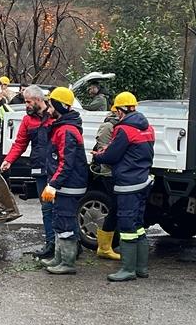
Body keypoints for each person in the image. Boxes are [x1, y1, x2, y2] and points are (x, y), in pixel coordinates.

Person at [93, 92, 155, 282]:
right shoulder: (148, 127)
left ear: (120, 110)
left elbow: (112, 156)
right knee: (138, 225)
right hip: (143, 180)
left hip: (128, 184)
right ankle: (141, 268)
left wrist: (98, 156)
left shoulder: (124, 129)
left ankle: (128, 270)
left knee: (127, 226)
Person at [0, 85, 55, 261]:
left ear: (39, 100)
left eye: (28, 101)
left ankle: (68, 244)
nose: (26, 105)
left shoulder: (54, 116)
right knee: (47, 208)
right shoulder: (27, 120)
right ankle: (51, 244)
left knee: (62, 208)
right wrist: (9, 160)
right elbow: (20, 143)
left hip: (55, 170)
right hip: (40, 169)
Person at [40, 87, 89, 275]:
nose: (48, 108)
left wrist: (53, 184)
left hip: (69, 185)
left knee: (65, 221)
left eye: (51, 104)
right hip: (67, 184)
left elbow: (66, 163)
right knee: (60, 219)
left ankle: (67, 263)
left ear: (59, 105)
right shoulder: (64, 126)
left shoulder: (66, 130)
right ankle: (59, 258)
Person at [91, 106, 123, 261]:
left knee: (117, 207)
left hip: (116, 172)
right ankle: (104, 247)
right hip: (108, 173)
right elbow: (105, 151)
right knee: (115, 207)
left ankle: (106, 246)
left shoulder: (120, 124)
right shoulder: (108, 126)